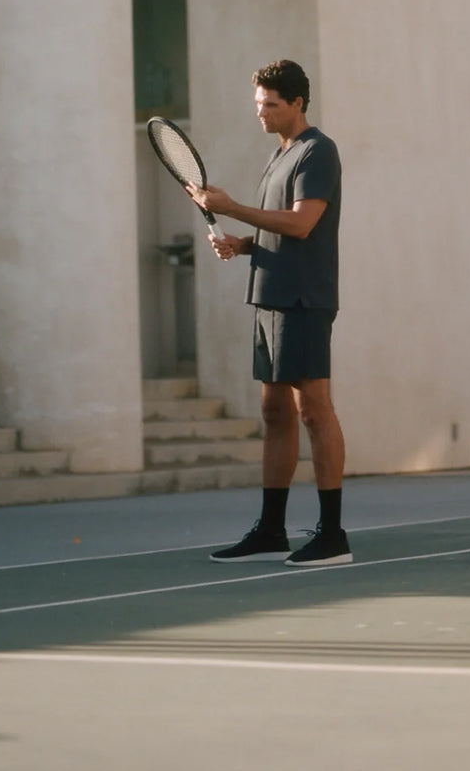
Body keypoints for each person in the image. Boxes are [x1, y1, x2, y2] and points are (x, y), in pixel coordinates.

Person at [186, 59, 350, 567]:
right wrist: (246, 246)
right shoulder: (279, 155)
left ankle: (331, 535)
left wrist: (231, 207)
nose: (261, 112)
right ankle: (271, 530)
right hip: (268, 295)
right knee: (274, 412)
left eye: (271, 105)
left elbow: (303, 226)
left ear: (298, 102)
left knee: (312, 410)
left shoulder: (317, 152)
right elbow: (281, 232)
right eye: (258, 104)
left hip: (303, 299)